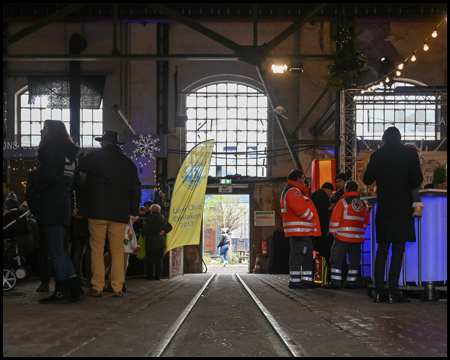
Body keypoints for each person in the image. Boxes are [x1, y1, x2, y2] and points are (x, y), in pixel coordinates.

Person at [363, 127, 423, 304]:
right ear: (400, 138)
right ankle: (393, 292)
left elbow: (367, 180)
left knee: (381, 250)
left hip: (384, 209)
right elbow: (416, 180)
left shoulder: (377, 155)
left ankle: (379, 292)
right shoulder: (409, 154)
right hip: (402, 208)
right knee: (398, 251)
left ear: (384, 139)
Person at [78, 130, 141, 298]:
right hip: (119, 214)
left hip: (97, 212)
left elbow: (81, 168)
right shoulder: (128, 164)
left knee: (97, 249)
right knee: (117, 251)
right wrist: (133, 211)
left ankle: (97, 286)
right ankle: (117, 287)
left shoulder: (94, 158)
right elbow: (136, 188)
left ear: (104, 143)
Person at [34, 120, 85, 304]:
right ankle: (75, 288)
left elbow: (49, 176)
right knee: (61, 250)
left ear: (52, 131)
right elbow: (77, 183)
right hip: (64, 203)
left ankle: (62, 290)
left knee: (56, 250)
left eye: (44, 128)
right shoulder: (70, 155)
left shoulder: (50, 150)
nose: (42, 130)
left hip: (50, 203)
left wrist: (37, 187)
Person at [280, 169, 321, 289]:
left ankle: (307, 281)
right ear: (298, 179)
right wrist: (311, 216)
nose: (304, 181)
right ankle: (295, 281)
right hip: (299, 231)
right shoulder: (294, 191)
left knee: (307, 256)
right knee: (298, 256)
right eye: (303, 178)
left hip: (303, 231)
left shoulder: (294, 190)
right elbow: (299, 208)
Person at [326, 181, 370, 290]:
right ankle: (351, 283)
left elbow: (335, 219)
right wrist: (360, 231)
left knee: (336, 259)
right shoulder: (363, 204)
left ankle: (336, 282)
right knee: (354, 261)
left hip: (343, 236)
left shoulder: (342, 202)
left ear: (346, 189)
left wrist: (333, 232)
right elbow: (366, 220)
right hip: (358, 237)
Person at [25, 169, 51, 293]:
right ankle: (64, 282)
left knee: (44, 250)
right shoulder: (61, 169)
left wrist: (36, 212)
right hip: (60, 215)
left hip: (43, 215)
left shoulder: (34, 174)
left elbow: (29, 196)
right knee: (61, 250)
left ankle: (45, 282)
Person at [142, 204, 172, 280]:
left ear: (151, 211)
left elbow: (145, 230)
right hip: (161, 242)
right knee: (159, 260)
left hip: (151, 242)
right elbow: (170, 227)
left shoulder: (150, 218)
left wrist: (143, 233)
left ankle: (150, 276)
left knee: (150, 260)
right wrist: (164, 231)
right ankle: (158, 276)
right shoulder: (162, 218)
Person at [310, 182, 334, 264]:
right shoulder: (322, 198)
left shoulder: (314, 195)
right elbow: (323, 216)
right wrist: (327, 229)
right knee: (323, 251)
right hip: (320, 230)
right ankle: (324, 270)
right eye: (331, 192)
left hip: (312, 228)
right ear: (328, 190)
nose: (331, 195)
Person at [404, 143, 425, 217]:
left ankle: (418, 206)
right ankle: (417, 206)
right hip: (409, 184)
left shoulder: (419, 160)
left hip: (413, 183)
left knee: (415, 186)